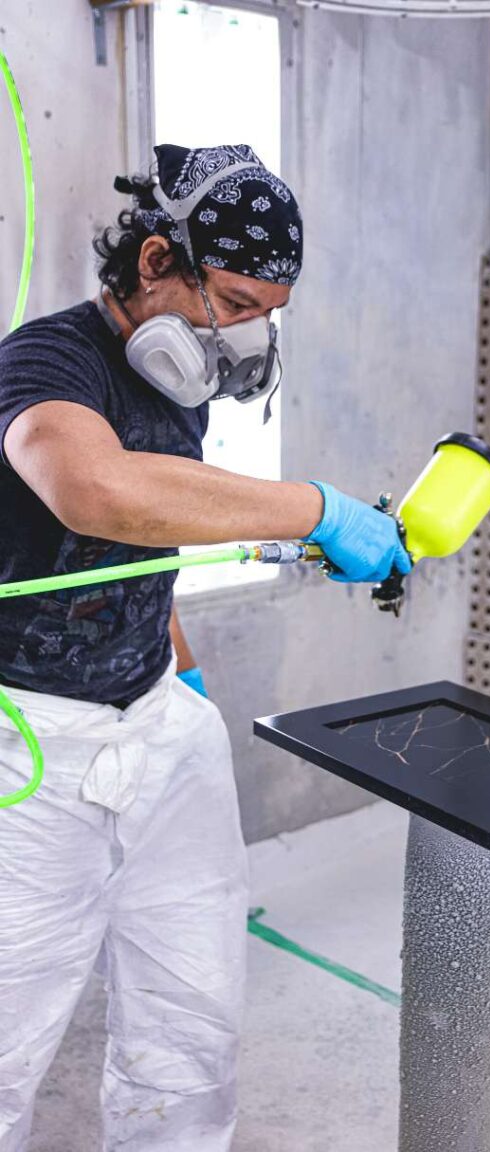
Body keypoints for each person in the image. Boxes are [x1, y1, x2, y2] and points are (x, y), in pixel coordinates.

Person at [0, 143, 411, 1152]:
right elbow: (93, 491)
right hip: (33, 749)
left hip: (157, 718)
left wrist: (177, 665)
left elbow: (146, 538)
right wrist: (317, 508)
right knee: (9, 1023)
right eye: (227, 300)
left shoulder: (177, 389)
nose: (237, 334)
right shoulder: (45, 363)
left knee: (190, 1016)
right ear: (153, 263)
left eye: (259, 311)